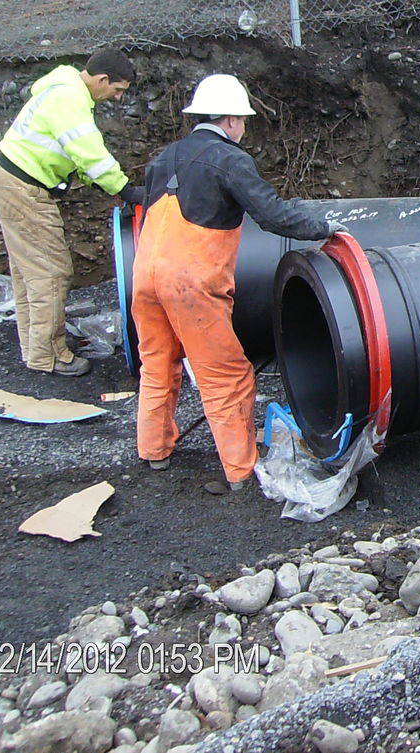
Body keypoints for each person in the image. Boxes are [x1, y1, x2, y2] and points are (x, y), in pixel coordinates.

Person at [133, 74, 342, 495]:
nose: (243, 128)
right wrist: (322, 226)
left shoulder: (164, 158)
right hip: (189, 284)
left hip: (145, 277)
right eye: (243, 120)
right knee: (226, 374)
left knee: (157, 364)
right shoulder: (229, 160)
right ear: (231, 120)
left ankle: (154, 450)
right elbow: (272, 214)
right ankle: (241, 470)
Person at [0, 49, 143, 377]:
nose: (116, 98)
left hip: (11, 182)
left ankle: (36, 350)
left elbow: (73, 153)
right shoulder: (71, 101)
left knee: (30, 273)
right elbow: (90, 154)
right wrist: (126, 190)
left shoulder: (64, 91)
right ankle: (49, 355)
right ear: (102, 80)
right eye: (117, 90)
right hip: (24, 189)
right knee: (50, 272)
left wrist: (102, 184)